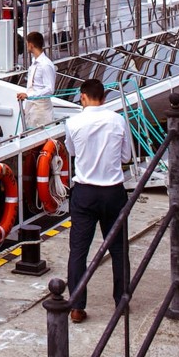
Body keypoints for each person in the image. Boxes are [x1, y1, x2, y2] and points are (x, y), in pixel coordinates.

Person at [64, 78, 133, 324]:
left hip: (85, 192)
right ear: (103, 98)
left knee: (79, 251)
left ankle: (77, 306)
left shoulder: (72, 123)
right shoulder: (118, 120)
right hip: (113, 191)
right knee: (118, 249)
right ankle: (122, 300)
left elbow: (71, 152)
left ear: (82, 97)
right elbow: (126, 155)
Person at [17, 32, 58, 129]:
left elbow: (50, 89)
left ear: (31, 45)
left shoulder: (45, 64)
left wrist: (29, 95)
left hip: (41, 109)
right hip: (32, 107)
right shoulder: (34, 63)